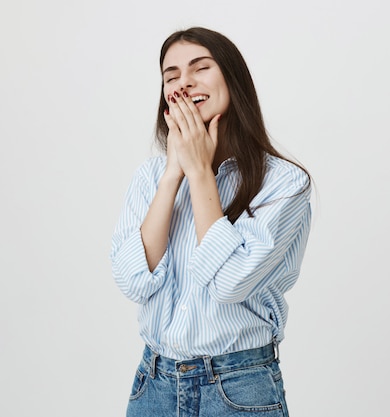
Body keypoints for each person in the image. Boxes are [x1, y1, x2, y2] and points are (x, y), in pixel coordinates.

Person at [110, 27, 311, 417]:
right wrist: (173, 173)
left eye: (199, 68)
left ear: (232, 80)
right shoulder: (150, 177)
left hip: (238, 388)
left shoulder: (285, 184)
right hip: (153, 384)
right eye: (171, 76)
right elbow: (133, 279)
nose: (184, 82)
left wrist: (200, 172)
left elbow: (229, 283)